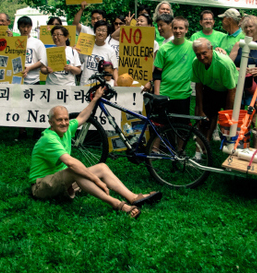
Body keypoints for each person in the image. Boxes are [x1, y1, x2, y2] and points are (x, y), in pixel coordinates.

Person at [29, 87, 162, 219]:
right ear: (51, 123)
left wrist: (96, 98)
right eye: (59, 120)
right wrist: (96, 180)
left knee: (102, 167)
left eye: (66, 119)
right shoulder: (49, 138)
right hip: (41, 186)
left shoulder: (67, 129)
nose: (64, 123)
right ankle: (118, 204)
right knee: (75, 170)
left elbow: (82, 117)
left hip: (62, 181)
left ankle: (132, 197)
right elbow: (71, 162)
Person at [229, 15, 257, 149]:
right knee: (239, 115)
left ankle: (256, 148)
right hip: (239, 87)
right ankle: (239, 144)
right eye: (245, 27)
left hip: (256, 88)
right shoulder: (239, 44)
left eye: (251, 26)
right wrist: (239, 69)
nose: (248, 29)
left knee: (255, 118)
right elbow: (228, 65)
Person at [192, 39, 239, 142]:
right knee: (207, 117)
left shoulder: (224, 63)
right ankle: (205, 143)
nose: (201, 57)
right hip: (211, 88)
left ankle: (230, 143)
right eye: (198, 54)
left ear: (211, 49)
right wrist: (200, 110)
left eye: (204, 53)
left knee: (230, 119)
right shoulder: (196, 63)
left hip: (230, 89)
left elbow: (232, 90)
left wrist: (226, 115)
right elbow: (198, 87)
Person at [153, 16, 195, 119]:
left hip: (183, 95)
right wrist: (157, 94)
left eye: (181, 28)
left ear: (186, 30)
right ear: (172, 28)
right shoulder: (164, 49)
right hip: (165, 94)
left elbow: (207, 52)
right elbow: (157, 73)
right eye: (175, 28)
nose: (178, 31)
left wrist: (220, 50)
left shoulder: (193, 47)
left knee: (181, 129)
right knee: (163, 128)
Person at [79, 20, 118, 86]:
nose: (100, 33)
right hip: (85, 84)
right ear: (95, 31)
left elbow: (114, 69)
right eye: (98, 30)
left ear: (107, 33)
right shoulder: (87, 45)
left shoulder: (110, 50)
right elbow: (80, 62)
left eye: (103, 31)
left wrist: (116, 81)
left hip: (101, 86)